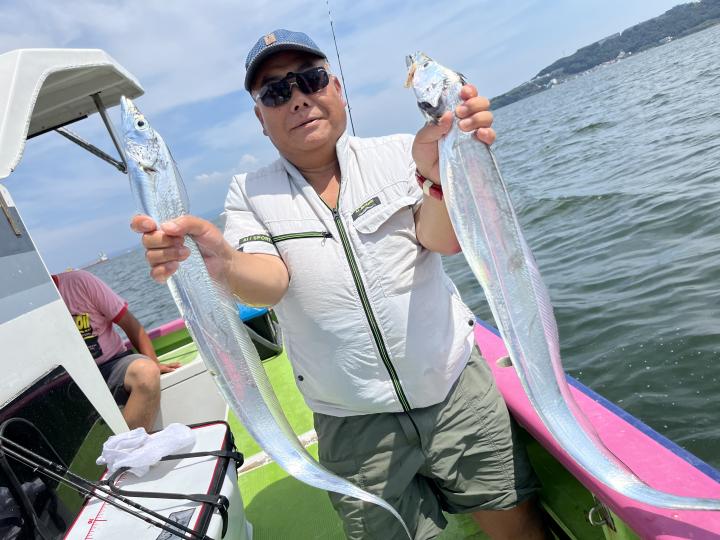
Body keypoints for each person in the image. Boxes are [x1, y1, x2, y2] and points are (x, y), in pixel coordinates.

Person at [132, 29, 547, 539]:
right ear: (260, 119)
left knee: (516, 527)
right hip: (351, 422)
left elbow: (441, 240)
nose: (298, 98)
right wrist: (224, 264)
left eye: (310, 79)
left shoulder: (402, 153)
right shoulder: (250, 192)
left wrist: (442, 177)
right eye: (275, 92)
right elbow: (269, 283)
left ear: (337, 88)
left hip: (454, 388)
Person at [52, 270, 180, 431]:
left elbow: (130, 324)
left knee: (146, 372)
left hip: (111, 366)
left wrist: (154, 363)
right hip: (66, 384)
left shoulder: (79, 282)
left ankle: (129, 445)